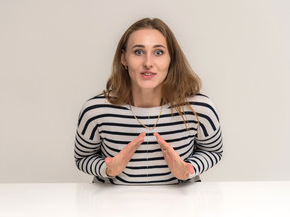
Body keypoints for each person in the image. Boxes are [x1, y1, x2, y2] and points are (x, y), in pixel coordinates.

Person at [74, 18, 223, 185]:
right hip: (113, 209)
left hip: (181, 208)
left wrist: (189, 169)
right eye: (138, 52)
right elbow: (83, 157)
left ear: (171, 59)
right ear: (124, 58)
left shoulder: (200, 108)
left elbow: (213, 151)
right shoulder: (95, 110)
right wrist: (107, 169)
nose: (148, 63)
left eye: (158, 52)